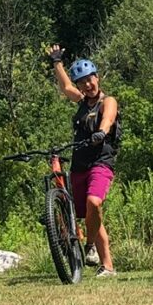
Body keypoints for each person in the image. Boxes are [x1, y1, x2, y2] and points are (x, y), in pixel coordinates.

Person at [45, 46, 121, 278]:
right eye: (82, 82)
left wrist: (102, 132)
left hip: (101, 162)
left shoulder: (107, 101)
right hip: (79, 165)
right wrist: (57, 62)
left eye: (90, 79)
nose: (88, 85)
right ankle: (108, 266)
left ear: (97, 78)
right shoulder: (80, 101)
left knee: (93, 203)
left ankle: (89, 247)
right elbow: (65, 87)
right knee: (88, 213)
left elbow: (109, 118)